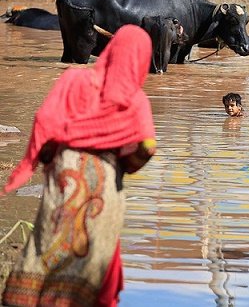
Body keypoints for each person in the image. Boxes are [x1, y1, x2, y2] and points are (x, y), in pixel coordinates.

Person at [0, 24, 156, 306]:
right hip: (106, 181)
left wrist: (48, 159)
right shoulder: (136, 100)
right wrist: (125, 164)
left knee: (49, 235)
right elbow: (147, 146)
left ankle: (25, 297)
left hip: (65, 171)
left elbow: (45, 121)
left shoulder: (74, 79)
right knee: (94, 247)